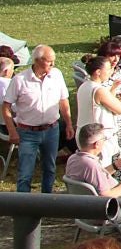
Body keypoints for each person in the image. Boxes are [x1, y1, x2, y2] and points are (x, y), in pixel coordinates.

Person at [5, 44, 71, 193]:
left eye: (54, 60)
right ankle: (24, 204)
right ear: (37, 60)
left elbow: (63, 101)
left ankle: (47, 200)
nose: (53, 64)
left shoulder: (57, 75)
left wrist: (68, 124)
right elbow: (6, 106)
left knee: (50, 168)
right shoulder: (20, 80)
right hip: (27, 132)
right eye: (49, 61)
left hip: (51, 130)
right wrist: (12, 131)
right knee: (25, 173)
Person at [76, 52, 121, 157]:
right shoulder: (99, 90)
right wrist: (120, 101)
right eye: (108, 69)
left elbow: (105, 103)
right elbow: (120, 109)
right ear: (98, 72)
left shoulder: (84, 86)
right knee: (103, 166)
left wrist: (113, 89)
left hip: (84, 134)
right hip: (97, 139)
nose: (111, 71)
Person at [65, 122, 121, 198]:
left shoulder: (73, 158)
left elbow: (96, 176)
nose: (105, 142)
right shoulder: (91, 165)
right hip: (107, 202)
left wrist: (118, 164)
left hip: (82, 201)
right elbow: (106, 196)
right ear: (96, 144)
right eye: (104, 139)